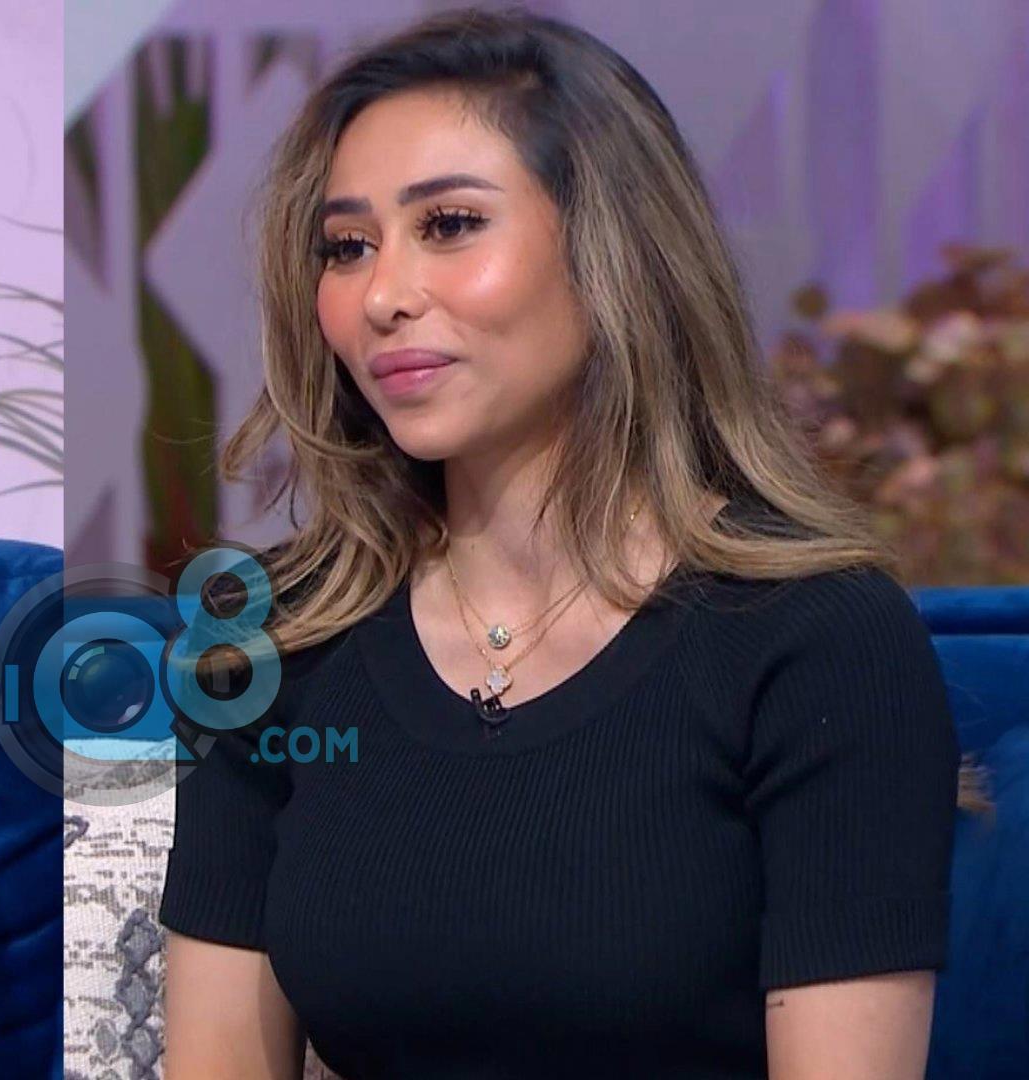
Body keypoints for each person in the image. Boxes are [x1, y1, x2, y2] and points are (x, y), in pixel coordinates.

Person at [157, 9, 964, 1079]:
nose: (382, 296)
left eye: (449, 224)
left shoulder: (818, 641)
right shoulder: (271, 638)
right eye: (347, 247)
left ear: (610, 249)